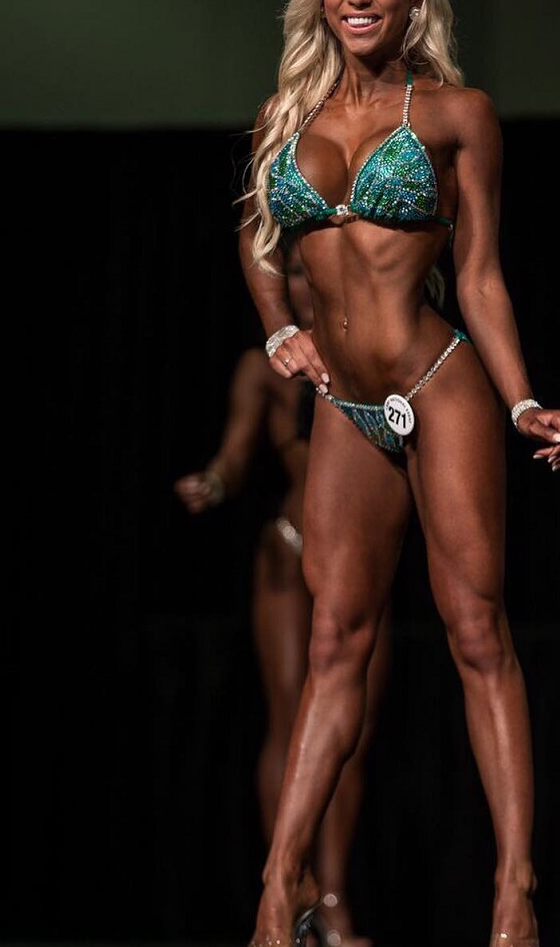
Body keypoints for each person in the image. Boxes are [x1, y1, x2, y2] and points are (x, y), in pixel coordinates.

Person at [236, 0, 560, 947]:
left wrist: (522, 397)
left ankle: (512, 893)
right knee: (336, 641)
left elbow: (477, 274)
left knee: (475, 632)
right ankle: (275, 888)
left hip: (439, 382)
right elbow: (260, 245)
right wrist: (277, 336)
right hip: (344, 404)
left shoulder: (454, 114)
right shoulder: (282, 118)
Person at [174, 236, 388, 947]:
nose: (304, 284)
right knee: (292, 713)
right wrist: (216, 480)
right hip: (292, 551)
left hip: (362, 558)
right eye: (292, 272)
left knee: (350, 734)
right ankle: (287, 880)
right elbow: (238, 452)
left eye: (312, 269)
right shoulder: (266, 366)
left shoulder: (378, 347)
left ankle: (334, 897)